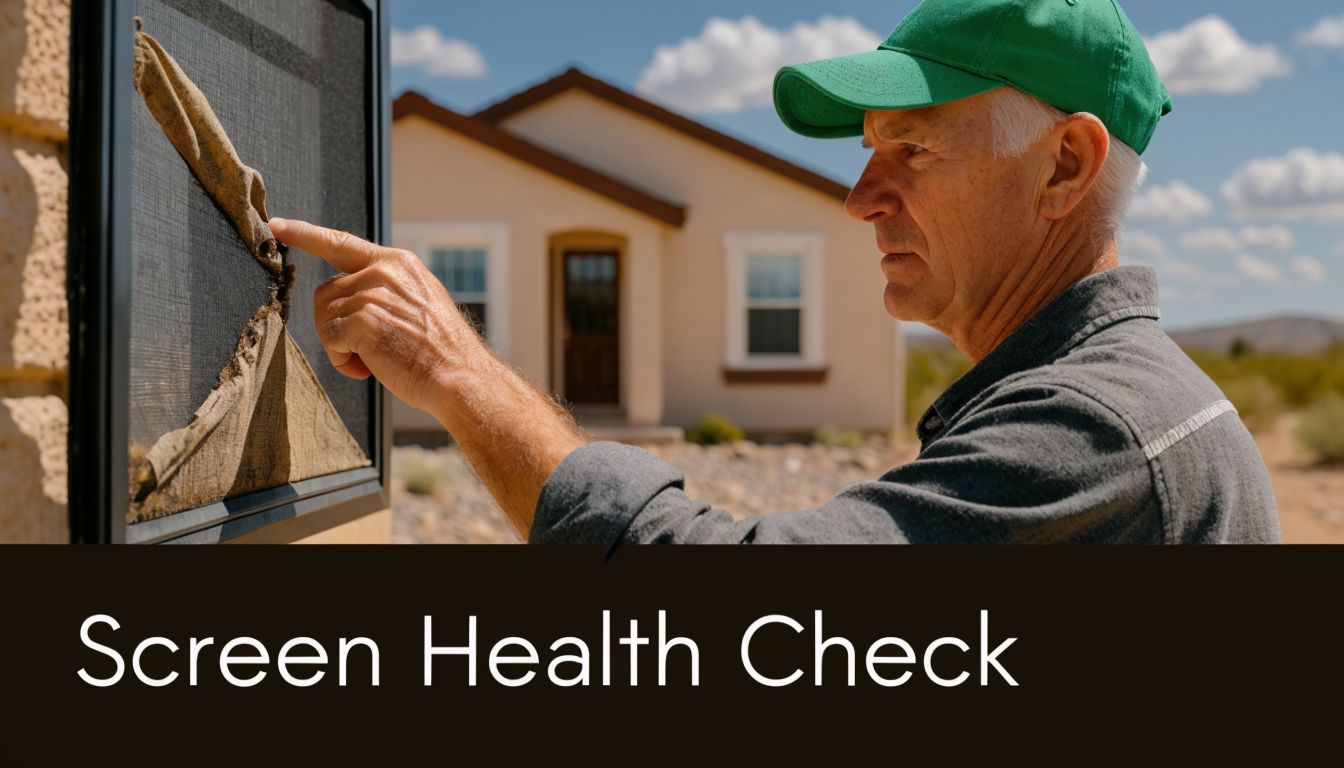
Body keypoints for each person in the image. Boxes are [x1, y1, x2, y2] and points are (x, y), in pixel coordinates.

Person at [269, 0, 1279, 545]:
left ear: (1064, 165)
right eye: (869, 149)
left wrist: (459, 372)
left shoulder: (1097, 433)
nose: (862, 196)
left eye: (913, 147)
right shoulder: (1112, 403)